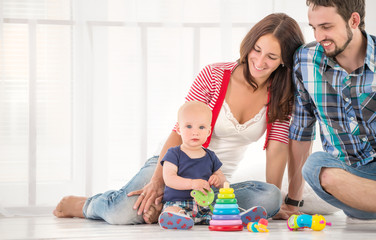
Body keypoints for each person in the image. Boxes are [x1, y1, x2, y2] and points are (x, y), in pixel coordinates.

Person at [53, 13, 305, 224]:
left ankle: (177, 207)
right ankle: (83, 204)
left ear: (285, 60)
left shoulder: (283, 95)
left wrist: (276, 205)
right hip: (174, 163)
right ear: (249, 43)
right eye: (257, 50)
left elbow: (277, 148)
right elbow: (178, 130)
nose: (259, 61)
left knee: (269, 196)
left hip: (214, 184)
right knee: (123, 213)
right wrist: (158, 180)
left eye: (271, 57)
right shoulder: (215, 76)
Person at [287, 0, 376, 221]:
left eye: (326, 27)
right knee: (315, 166)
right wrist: (292, 202)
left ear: (354, 21)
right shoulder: (305, 60)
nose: (318, 37)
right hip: (351, 178)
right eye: (313, 27)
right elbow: (302, 130)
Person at [158, 101, 225, 229]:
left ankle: (233, 218)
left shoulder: (211, 155)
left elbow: (222, 178)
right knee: (172, 210)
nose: (195, 132)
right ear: (178, 129)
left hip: (205, 204)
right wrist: (192, 183)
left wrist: (218, 179)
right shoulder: (174, 153)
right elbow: (169, 178)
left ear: (209, 131)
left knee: (219, 211)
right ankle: (178, 218)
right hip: (179, 203)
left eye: (201, 127)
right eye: (189, 126)